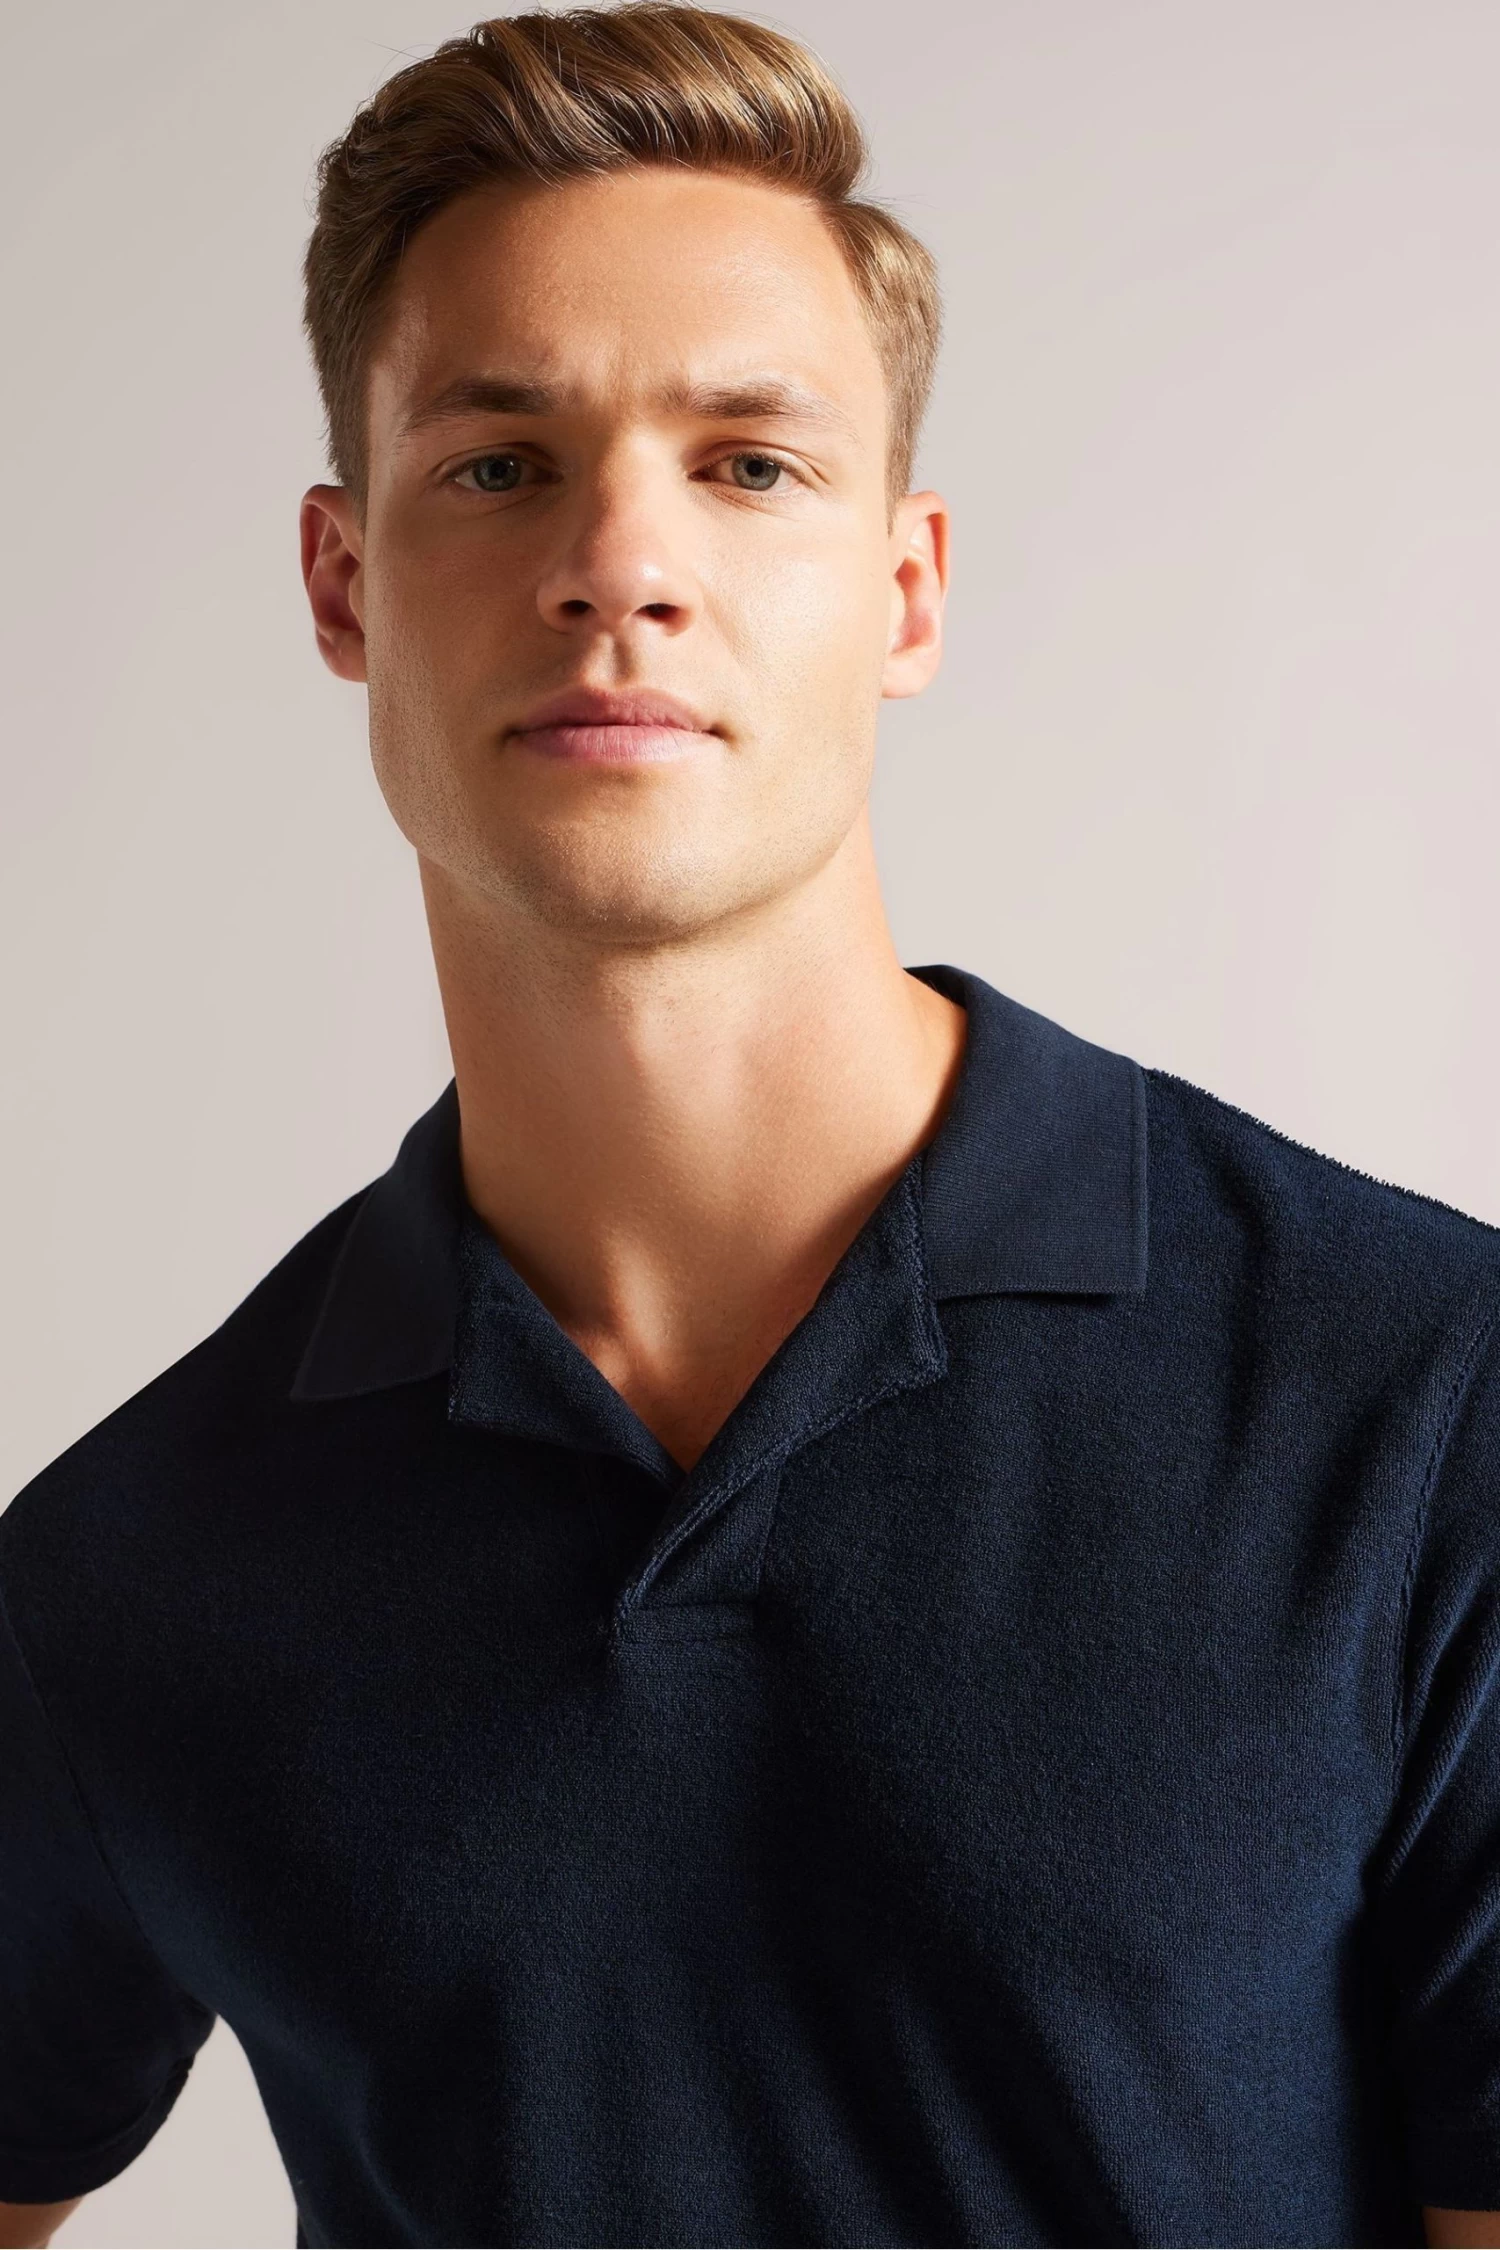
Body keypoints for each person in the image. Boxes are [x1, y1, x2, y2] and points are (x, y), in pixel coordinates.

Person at [2, 6, 1498, 2246]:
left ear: (905, 588)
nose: (620, 560)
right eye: (497, 464)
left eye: (749, 463)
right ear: (342, 584)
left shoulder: (1421, 1400)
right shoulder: (136, 1560)